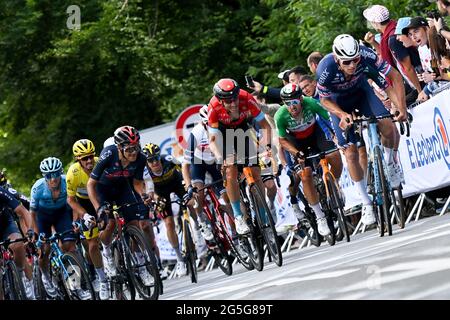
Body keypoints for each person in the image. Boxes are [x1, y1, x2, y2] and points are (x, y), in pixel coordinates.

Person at [316, 34, 408, 226]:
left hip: (363, 94)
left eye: (355, 60)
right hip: (338, 102)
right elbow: (324, 100)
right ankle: (366, 203)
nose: (352, 65)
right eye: (346, 62)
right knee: (350, 152)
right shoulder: (325, 68)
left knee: (388, 125)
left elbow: (393, 77)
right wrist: (341, 114)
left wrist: (400, 106)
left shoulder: (366, 55)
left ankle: (391, 164)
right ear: (336, 58)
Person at [87, 126, 154, 287]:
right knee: (109, 224)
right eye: (129, 149)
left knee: (134, 225)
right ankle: (108, 253)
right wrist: (99, 208)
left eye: (136, 147)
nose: (133, 152)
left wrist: (143, 194)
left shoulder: (141, 158)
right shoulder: (109, 154)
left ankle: (141, 266)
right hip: (103, 190)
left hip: (123, 188)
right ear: (119, 147)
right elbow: (90, 184)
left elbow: (137, 182)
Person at [275, 83, 343, 236]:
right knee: (304, 176)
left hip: (314, 134)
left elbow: (329, 118)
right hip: (295, 142)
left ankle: (335, 185)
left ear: (301, 99)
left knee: (334, 155)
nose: (291, 106)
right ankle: (320, 217)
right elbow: (282, 141)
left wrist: (337, 137)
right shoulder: (280, 115)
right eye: (287, 103)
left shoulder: (311, 103)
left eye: (294, 102)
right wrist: (296, 153)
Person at [207, 78, 272, 235]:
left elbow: (265, 126)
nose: (233, 103)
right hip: (222, 134)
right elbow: (213, 140)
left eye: (235, 98)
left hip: (242, 130)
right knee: (230, 170)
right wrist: (220, 158)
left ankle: (263, 218)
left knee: (256, 173)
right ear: (221, 101)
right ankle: (238, 216)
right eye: (228, 101)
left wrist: (267, 146)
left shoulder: (247, 98)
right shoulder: (214, 107)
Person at [30, 157, 90, 299]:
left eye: (56, 173)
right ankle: (45, 276)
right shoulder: (38, 188)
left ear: (60, 172)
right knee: (44, 250)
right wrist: (36, 234)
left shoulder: (66, 181)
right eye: (49, 175)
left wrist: (75, 222)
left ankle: (76, 286)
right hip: (42, 217)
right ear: (44, 176)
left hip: (61, 214)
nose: (53, 178)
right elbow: (31, 214)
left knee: (70, 247)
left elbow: (73, 202)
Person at [142, 143, 204, 277]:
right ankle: (180, 260)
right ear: (147, 161)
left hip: (176, 184)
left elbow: (184, 169)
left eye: (156, 158)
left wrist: (189, 186)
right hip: (160, 192)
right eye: (150, 160)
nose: (154, 162)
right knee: (169, 223)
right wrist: (156, 199)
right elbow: (148, 190)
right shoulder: (145, 170)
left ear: (160, 157)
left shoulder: (169, 160)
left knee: (190, 202)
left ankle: (198, 226)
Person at [66, 139, 109, 300]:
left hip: (102, 198)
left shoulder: (100, 163)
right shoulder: (73, 173)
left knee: (112, 226)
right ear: (78, 159)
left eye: (91, 156)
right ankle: (103, 280)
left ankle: (113, 253)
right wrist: (84, 215)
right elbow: (71, 200)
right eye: (85, 158)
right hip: (85, 204)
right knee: (92, 245)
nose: (89, 161)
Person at [364, 5, 422, 105]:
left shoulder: (393, 38)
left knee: (397, 106)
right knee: (395, 104)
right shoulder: (390, 32)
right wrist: (373, 42)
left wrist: (420, 91)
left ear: (376, 23)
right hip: (414, 80)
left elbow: (408, 67)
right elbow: (388, 56)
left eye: (371, 22)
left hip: (419, 79)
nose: (371, 24)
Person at [0, 186, 35, 299]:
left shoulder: (1, 192)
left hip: (5, 224)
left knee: (18, 244)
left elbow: (23, 211)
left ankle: (21, 277)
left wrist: (30, 230)